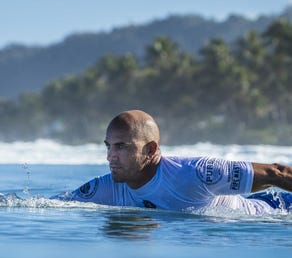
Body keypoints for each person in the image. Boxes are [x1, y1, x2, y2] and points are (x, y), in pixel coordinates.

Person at [54, 109, 292, 215]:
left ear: (151, 149)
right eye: (108, 146)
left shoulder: (196, 173)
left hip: (276, 207)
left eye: (121, 147)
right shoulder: (107, 188)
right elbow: (51, 205)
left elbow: (277, 173)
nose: (110, 157)